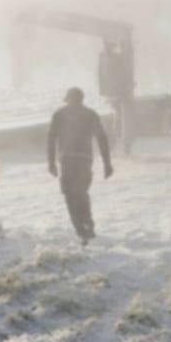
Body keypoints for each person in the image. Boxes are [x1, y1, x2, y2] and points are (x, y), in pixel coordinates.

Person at [46, 86, 113, 244]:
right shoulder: (90, 114)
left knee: (70, 195)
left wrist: (50, 162)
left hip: (67, 160)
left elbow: (51, 139)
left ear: (68, 99)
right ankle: (87, 226)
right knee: (81, 193)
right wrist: (107, 163)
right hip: (84, 159)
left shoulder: (59, 114)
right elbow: (101, 138)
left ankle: (82, 230)